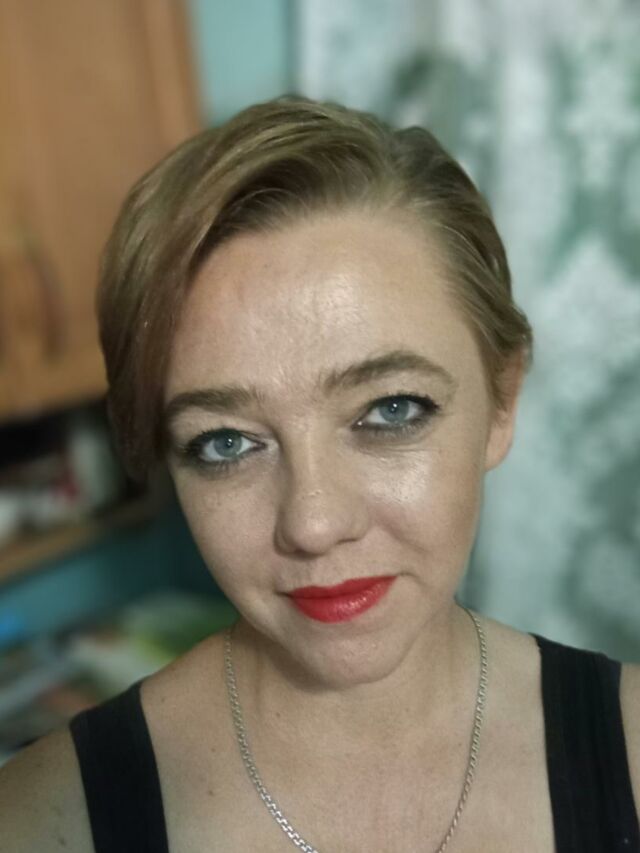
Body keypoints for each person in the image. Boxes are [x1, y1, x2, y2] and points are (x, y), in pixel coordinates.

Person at [1, 95, 638, 853]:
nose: (313, 522)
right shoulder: (43, 820)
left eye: (391, 410)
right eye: (226, 443)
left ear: (501, 401)